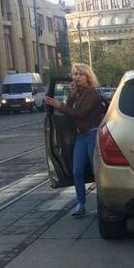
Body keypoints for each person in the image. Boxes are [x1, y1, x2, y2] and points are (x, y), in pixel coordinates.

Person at [44, 63, 105, 217]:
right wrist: (71, 96)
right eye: (75, 74)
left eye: (80, 74)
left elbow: (80, 114)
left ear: (87, 76)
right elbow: (69, 112)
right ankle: (80, 204)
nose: (77, 77)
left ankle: (103, 204)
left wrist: (59, 105)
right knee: (77, 171)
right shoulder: (77, 92)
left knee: (96, 171)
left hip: (92, 134)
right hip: (80, 135)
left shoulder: (91, 93)